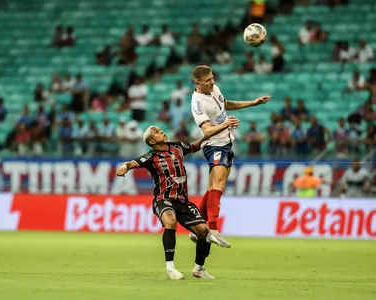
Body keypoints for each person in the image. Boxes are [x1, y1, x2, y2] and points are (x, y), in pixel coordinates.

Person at [115, 121, 239, 280]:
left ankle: (199, 269)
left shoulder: (177, 147)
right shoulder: (151, 157)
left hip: (182, 200)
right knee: (170, 221)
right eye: (157, 131)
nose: (162, 131)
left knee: (203, 231)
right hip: (163, 199)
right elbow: (132, 163)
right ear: (152, 142)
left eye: (160, 129)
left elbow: (197, 144)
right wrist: (124, 167)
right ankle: (170, 267)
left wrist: (221, 127)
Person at [190, 65, 271, 246]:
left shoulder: (214, 89)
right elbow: (207, 130)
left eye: (212, 78)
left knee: (213, 187)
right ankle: (213, 228)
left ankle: (197, 228)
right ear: (198, 83)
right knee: (218, 185)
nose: (213, 82)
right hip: (214, 145)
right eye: (208, 81)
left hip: (226, 143)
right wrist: (226, 124)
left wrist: (252, 103)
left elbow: (224, 104)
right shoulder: (197, 104)